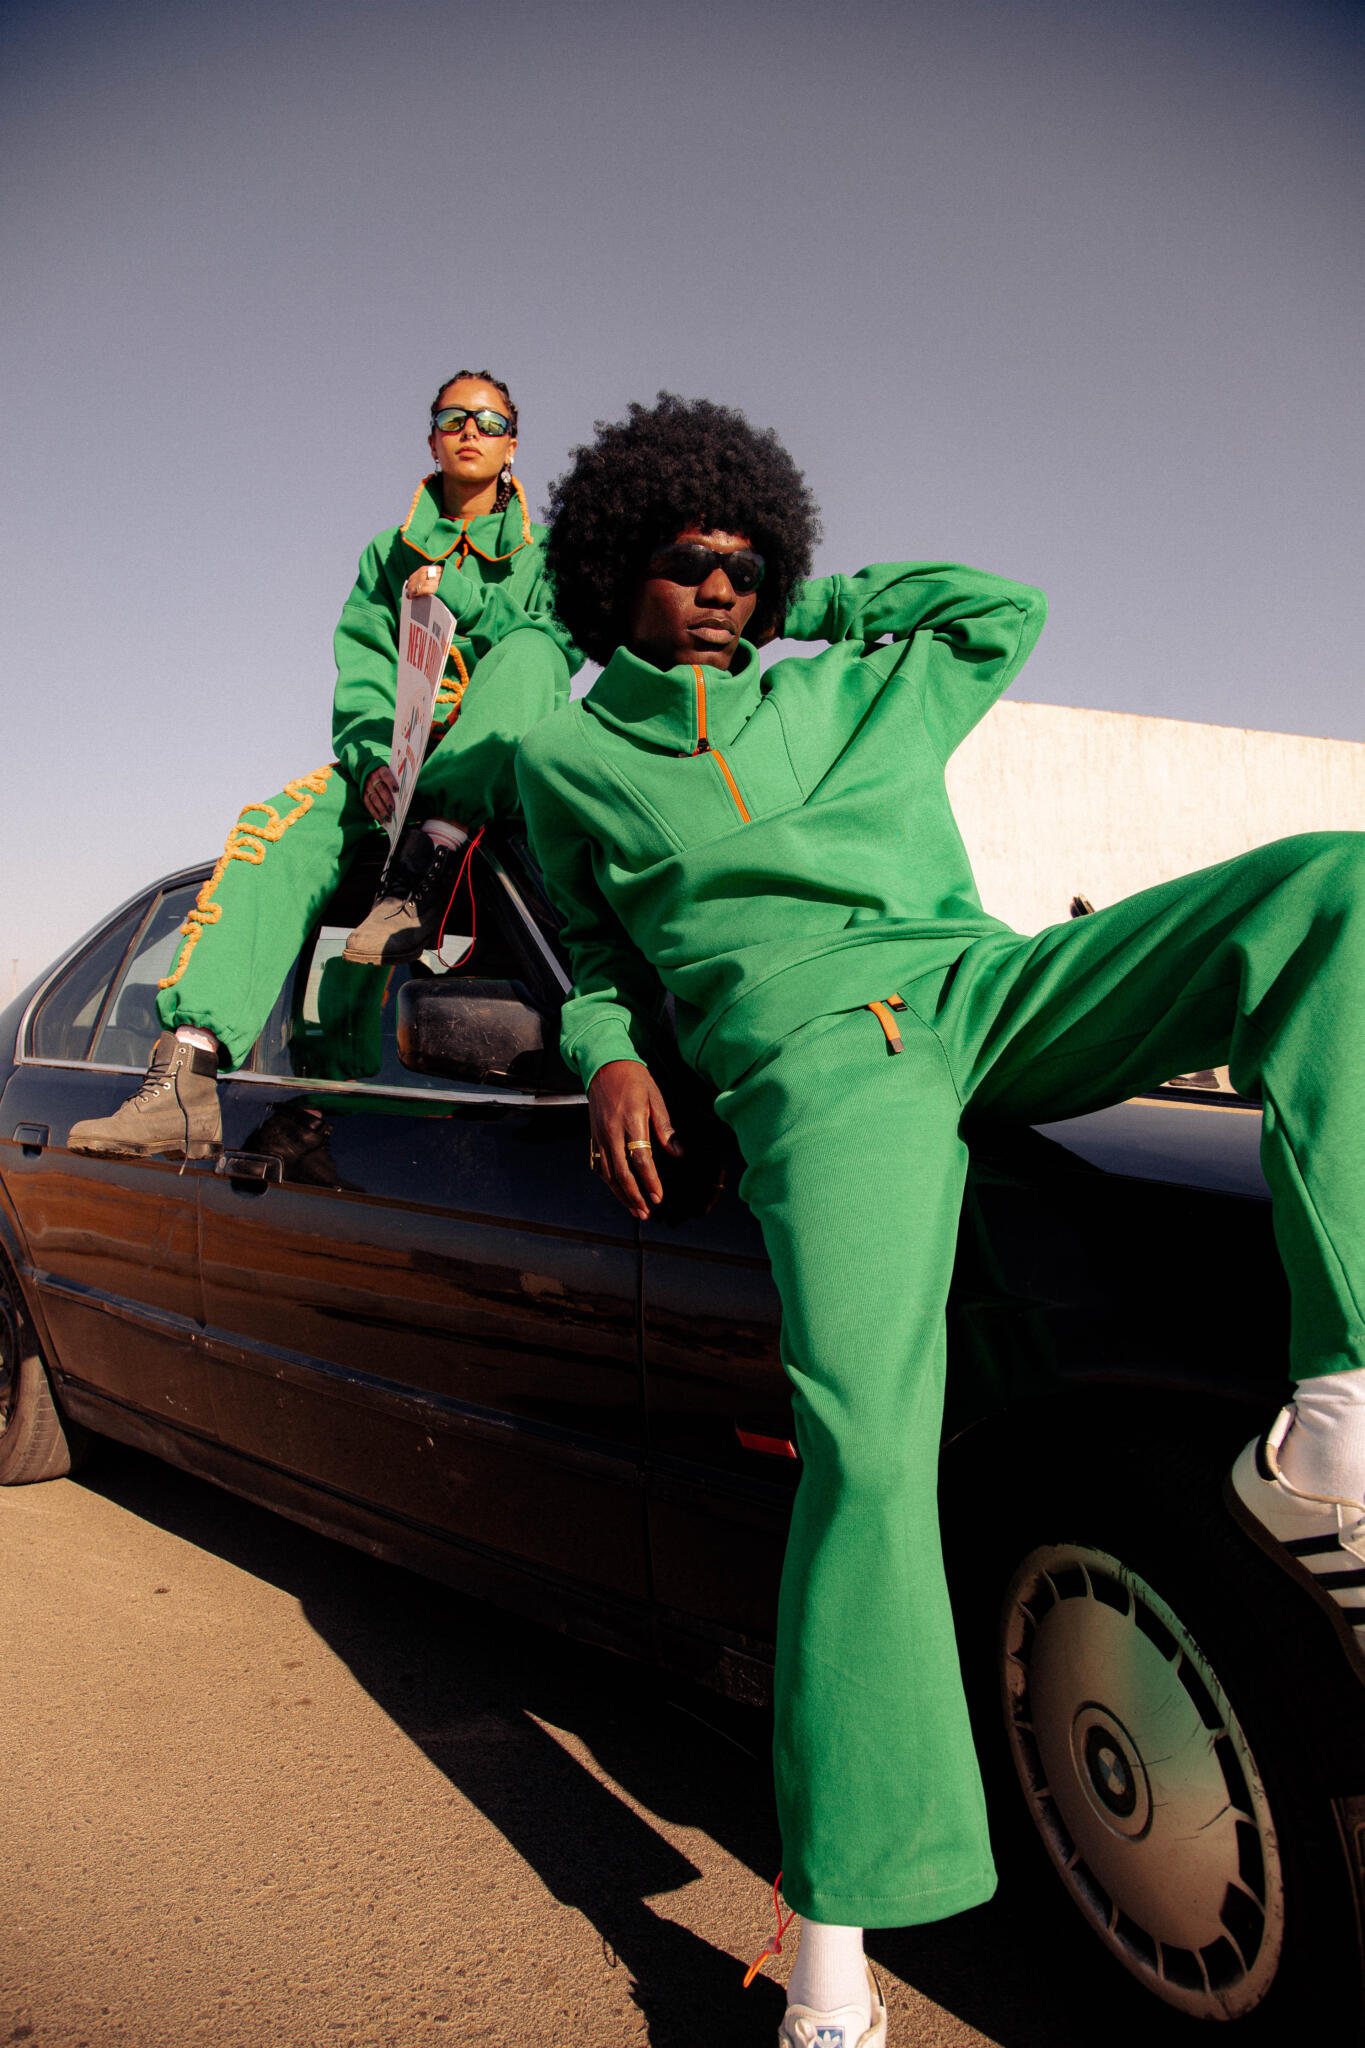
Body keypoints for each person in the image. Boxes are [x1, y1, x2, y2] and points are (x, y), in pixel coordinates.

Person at [514, 393, 1365, 2048]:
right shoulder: (567, 760)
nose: (723, 586)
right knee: (867, 1448)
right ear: (615, 566)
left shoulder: (856, 681)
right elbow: (599, 960)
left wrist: (818, 600)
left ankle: (1335, 1413)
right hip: (822, 1065)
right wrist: (608, 1054)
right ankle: (833, 1935)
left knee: (1336, 885)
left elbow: (1001, 611)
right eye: (688, 558)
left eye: (748, 561)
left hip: (988, 987)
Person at [69, 370, 578, 1160]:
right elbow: (366, 669)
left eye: (488, 420)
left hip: (497, 765)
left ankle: (426, 864)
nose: (469, 431)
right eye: (453, 417)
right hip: (396, 769)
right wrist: (373, 758)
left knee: (531, 650)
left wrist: (461, 598)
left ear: (512, 442)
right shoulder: (387, 555)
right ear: (432, 437)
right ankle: (184, 1078)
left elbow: (556, 650)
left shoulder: (548, 557)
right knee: (279, 827)